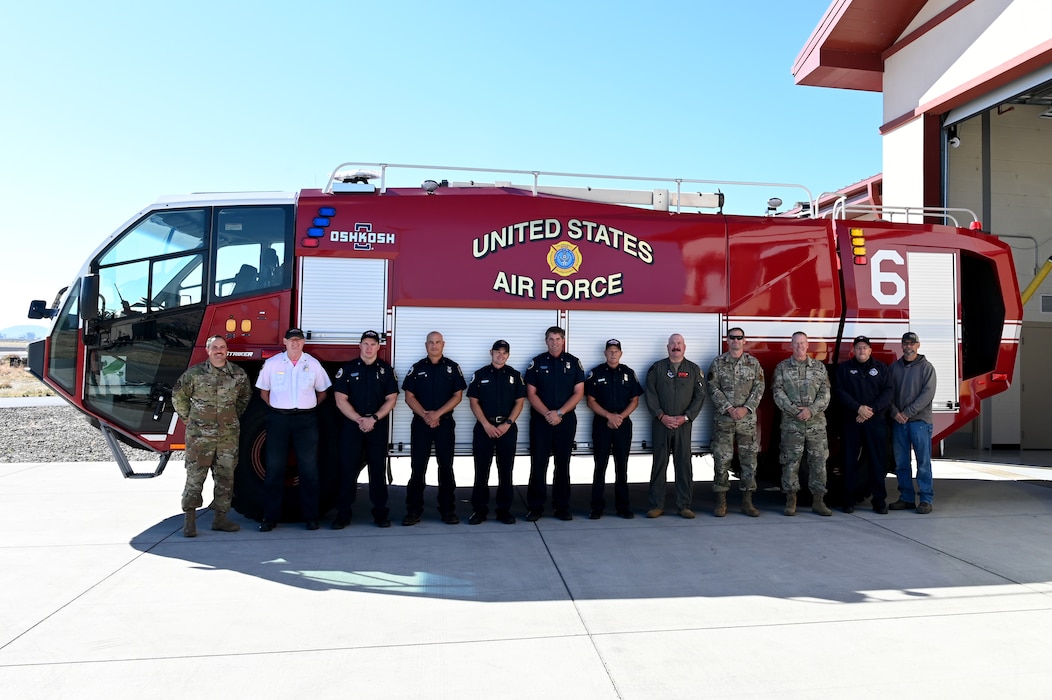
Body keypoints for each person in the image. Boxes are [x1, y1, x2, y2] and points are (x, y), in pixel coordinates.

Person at [172, 335, 252, 537]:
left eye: (222, 347)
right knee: (195, 476)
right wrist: (189, 419)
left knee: (226, 477)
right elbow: (178, 396)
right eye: (215, 347)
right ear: (208, 350)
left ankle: (220, 518)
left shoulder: (238, 375)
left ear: (227, 350)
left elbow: (245, 398)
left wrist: (231, 417)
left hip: (227, 436)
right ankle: (189, 520)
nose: (219, 350)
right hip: (200, 437)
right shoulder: (195, 374)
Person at [255, 328, 332, 532]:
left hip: (305, 421)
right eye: (291, 340)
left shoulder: (313, 364)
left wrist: (311, 408)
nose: (295, 344)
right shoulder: (272, 364)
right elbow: (264, 392)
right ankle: (270, 517)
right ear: (284, 342)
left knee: (309, 470)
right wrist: (276, 409)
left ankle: (311, 517)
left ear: (303, 342)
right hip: (279, 419)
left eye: (298, 340)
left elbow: (323, 391)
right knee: (274, 469)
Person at [332, 330, 399, 528]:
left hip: (376, 427)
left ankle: (380, 514)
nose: (369, 347)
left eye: (373, 344)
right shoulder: (348, 369)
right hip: (353, 427)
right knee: (348, 472)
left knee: (377, 472)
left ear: (378, 347)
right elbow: (340, 399)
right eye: (366, 344)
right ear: (360, 346)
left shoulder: (386, 371)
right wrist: (359, 419)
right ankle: (343, 515)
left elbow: (392, 399)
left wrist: (374, 418)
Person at [402, 331, 466, 525]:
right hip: (421, 425)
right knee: (417, 467)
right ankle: (413, 511)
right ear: (426, 345)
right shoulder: (417, 368)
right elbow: (409, 396)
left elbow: (458, 396)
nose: (434, 346)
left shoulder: (452, 368)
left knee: (445, 467)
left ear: (443, 344)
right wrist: (426, 416)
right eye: (431, 342)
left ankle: (447, 511)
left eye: (437, 342)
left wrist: (437, 415)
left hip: (444, 424)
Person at [525, 326, 585, 521]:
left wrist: (559, 413)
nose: (554, 342)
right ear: (546, 341)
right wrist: (547, 414)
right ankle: (535, 507)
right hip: (541, 421)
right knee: (539, 464)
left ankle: (562, 507)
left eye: (558, 339)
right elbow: (531, 393)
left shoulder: (573, 363)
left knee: (562, 464)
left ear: (563, 340)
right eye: (551, 339)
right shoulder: (536, 363)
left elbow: (579, 392)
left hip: (565, 421)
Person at [645, 333, 706, 519]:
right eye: (673, 343)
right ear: (668, 347)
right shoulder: (657, 368)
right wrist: (661, 415)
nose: (676, 346)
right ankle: (656, 505)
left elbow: (700, 396)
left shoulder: (694, 370)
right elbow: (650, 394)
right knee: (659, 465)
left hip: (683, 425)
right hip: (661, 424)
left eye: (679, 343)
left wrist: (686, 417)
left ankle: (684, 506)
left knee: (683, 465)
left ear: (684, 347)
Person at [772, 331, 832, 516]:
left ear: (808, 345)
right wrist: (795, 410)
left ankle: (818, 501)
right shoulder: (782, 368)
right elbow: (777, 393)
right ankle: (791, 501)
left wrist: (810, 410)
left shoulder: (819, 368)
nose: (799, 346)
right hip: (792, 424)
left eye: (803, 343)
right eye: (796, 343)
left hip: (816, 424)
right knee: (790, 463)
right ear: (791, 345)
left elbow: (825, 394)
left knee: (818, 462)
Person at [707, 327, 765, 518]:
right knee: (721, 460)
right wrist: (729, 408)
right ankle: (721, 502)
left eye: (739, 338)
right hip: (724, 420)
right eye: (732, 337)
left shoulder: (753, 363)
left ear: (744, 340)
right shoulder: (718, 363)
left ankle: (747, 502)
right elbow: (712, 387)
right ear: (727, 340)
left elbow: (759, 387)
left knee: (749, 461)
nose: (736, 341)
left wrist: (745, 408)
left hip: (746, 421)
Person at [467, 339, 526, 525]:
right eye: (497, 351)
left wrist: (507, 424)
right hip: (484, 428)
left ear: (508, 355)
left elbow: (519, 402)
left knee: (506, 471)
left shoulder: (515, 376)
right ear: (490, 352)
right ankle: (479, 511)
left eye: (504, 352)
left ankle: (504, 511)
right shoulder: (480, 374)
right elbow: (473, 401)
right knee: (481, 471)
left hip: (507, 429)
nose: (501, 355)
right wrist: (485, 424)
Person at [585, 339, 643, 519]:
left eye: (616, 351)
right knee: (600, 466)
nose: (613, 354)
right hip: (602, 424)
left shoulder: (628, 373)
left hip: (622, 425)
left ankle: (623, 507)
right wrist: (609, 416)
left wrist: (620, 417)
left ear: (621, 354)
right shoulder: (595, 373)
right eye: (610, 351)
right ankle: (597, 508)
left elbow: (635, 400)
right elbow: (590, 401)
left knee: (622, 467)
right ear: (605, 353)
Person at [834, 335, 893, 514]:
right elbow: (839, 391)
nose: (862, 351)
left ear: (870, 350)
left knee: (877, 461)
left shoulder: (881, 369)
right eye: (858, 347)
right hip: (852, 421)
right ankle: (848, 500)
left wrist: (870, 410)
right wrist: (857, 408)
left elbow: (888, 392)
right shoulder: (844, 369)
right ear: (854, 350)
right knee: (849, 461)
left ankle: (879, 501)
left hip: (875, 422)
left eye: (865, 348)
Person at [888, 331, 937, 514]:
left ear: (918, 345)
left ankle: (925, 499)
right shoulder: (894, 368)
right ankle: (906, 498)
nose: (908, 346)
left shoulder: (926, 368)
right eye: (905, 343)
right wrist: (895, 413)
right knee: (901, 463)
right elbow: (888, 393)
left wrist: (907, 413)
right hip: (899, 422)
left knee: (923, 463)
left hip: (919, 422)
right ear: (901, 346)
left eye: (911, 343)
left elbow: (927, 394)